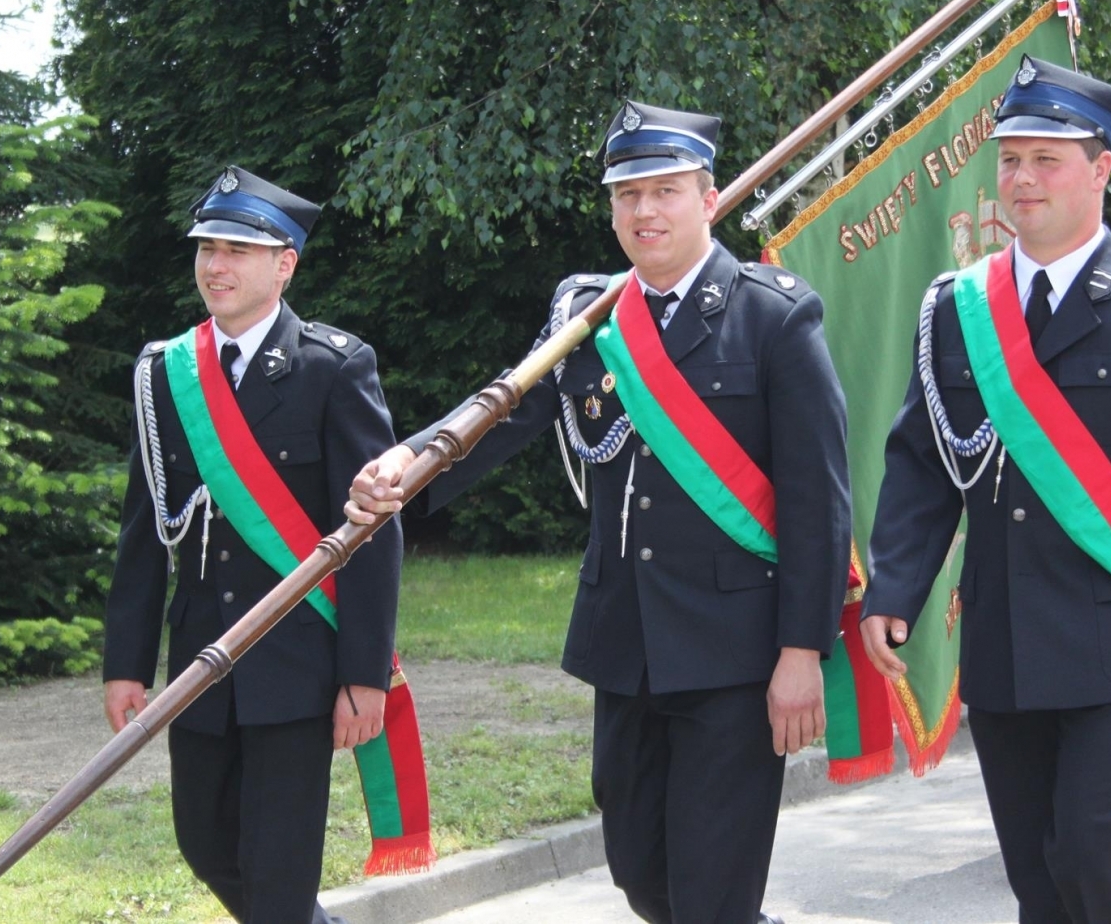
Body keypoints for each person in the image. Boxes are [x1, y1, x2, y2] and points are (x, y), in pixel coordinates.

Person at [344, 100, 851, 924]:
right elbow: (503, 408)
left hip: (735, 652)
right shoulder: (587, 316)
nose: (645, 211)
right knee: (640, 874)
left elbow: (819, 501)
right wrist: (409, 462)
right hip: (625, 644)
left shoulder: (775, 316)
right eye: (627, 195)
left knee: (712, 896)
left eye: (665, 191)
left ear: (708, 197)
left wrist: (802, 652)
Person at [860, 56, 1111, 924]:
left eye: (1047, 159)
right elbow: (924, 463)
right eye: (1010, 160)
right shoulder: (957, 307)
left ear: (1101, 168)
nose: (1022, 180)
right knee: (1038, 875)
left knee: (1098, 856)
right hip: (1002, 642)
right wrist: (895, 586)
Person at [104, 168, 403, 924]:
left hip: (298, 665)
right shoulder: (166, 375)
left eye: (238, 247)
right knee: (205, 844)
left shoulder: (333, 367)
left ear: (285, 264)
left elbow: (373, 531)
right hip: (199, 663)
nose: (216, 265)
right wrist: (126, 664)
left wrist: (365, 675)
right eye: (207, 246)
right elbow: (145, 529)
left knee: (278, 873)